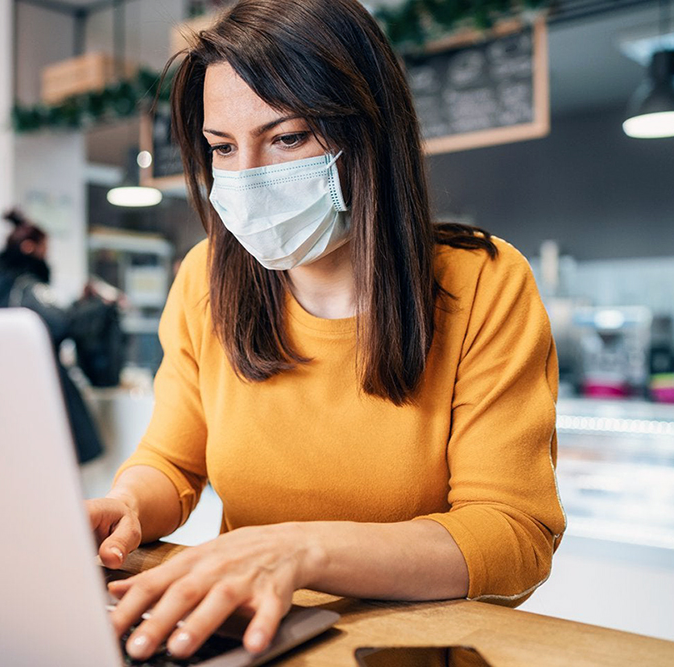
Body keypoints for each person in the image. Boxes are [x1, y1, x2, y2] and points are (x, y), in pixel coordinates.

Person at [87, 0, 566, 662]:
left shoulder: (485, 282)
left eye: (286, 138)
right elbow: (171, 461)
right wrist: (129, 503)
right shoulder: (205, 278)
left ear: (369, 132)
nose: (247, 177)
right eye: (222, 147)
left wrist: (299, 549)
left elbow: (512, 536)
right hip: (252, 640)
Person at [0, 210, 105, 464]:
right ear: (31, 248)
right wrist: (90, 306)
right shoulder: (29, 288)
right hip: (38, 384)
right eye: (45, 247)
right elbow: (61, 323)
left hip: (1, 384)